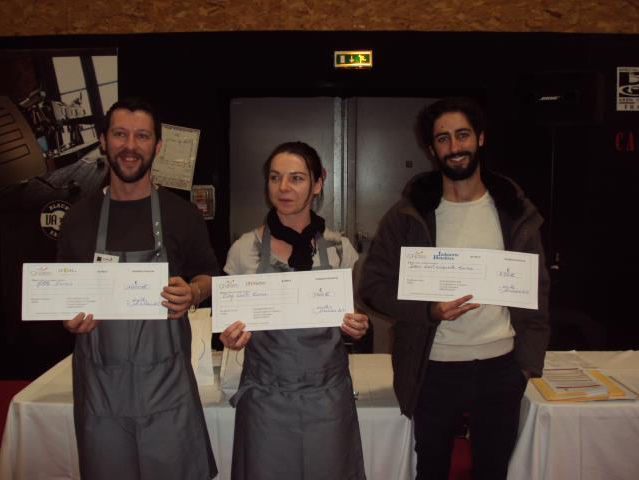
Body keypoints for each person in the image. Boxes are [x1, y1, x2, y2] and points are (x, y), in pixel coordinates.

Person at [358, 97, 549, 480]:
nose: (454, 147)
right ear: (432, 149)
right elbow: (373, 287)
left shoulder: (512, 210)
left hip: (500, 365)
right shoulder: (409, 213)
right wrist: (428, 310)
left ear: (480, 138)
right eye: (443, 139)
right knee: (432, 468)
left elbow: (538, 289)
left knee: (493, 470)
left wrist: (527, 363)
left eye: (462, 135)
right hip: (434, 367)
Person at [58, 98, 218, 480]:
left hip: (167, 393)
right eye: (120, 134)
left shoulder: (181, 214)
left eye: (142, 136)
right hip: (102, 393)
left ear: (157, 146)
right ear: (103, 141)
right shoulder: (78, 219)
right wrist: (67, 318)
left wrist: (193, 293)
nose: (130, 146)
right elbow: (60, 293)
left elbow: (211, 276)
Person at [220, 141, 368, 480]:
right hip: (265, 399)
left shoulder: (340, 249)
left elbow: (353, 314)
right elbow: (231, 324)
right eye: (275, 178)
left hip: (327, 397)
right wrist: (232, 337)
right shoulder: (245, 250)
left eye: (297, 178)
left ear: (318, 183)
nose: (283, 188)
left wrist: (358, 326)